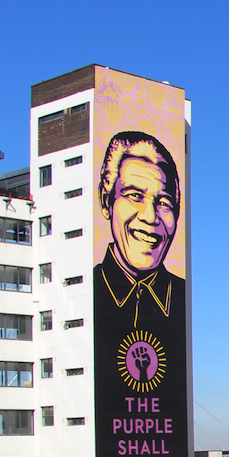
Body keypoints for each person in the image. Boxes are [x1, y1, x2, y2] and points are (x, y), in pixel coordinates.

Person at [95, 131, 182, 329]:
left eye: (164, 203)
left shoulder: (182, 298)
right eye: (135, 196)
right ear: (105, 200)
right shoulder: (85, 290)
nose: (150, 216)